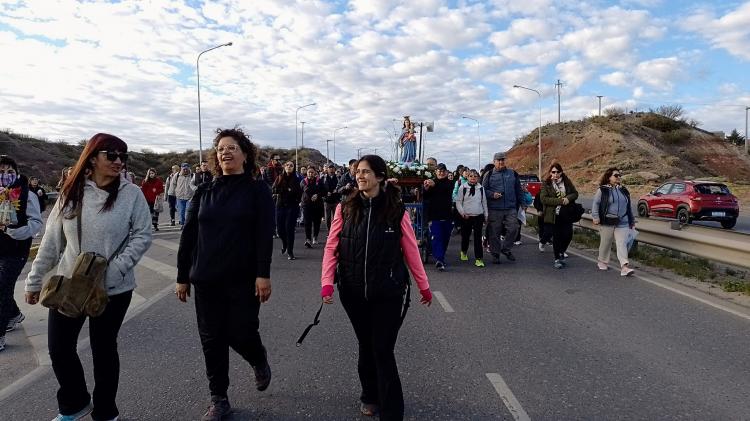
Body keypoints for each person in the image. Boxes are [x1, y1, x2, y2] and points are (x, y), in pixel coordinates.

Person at [24, 133, 152, 421]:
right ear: (93, 157)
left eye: (123, 156)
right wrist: (34, 281)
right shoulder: (72, 192)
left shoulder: (131, 194)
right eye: (112, 155)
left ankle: (106, 412)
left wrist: (117, 269)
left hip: (113, 289)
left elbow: (142, 235)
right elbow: (51, 242)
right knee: (59, 348)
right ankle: (74, 403)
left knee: (104, 350)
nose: (119, 161)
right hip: (70, 285)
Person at [320, 154, 432, 420]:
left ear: (380, 176)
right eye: (358, 171)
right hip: (353, 290)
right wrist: (327, 282)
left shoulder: (396, 209)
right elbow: (332, 246)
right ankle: (369, 394)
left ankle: (392, 411)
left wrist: (423, 286)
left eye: (366, 172)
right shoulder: (345, 208)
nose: (360, 176)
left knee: (382, 348)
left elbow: (411, 250)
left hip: (388, 291)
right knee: (365, 345)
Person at [176, 128, 273, 421]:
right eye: (220, 149)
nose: (225, 152)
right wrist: (182, 276)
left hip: (243, 279)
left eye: (232, 147)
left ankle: (257, 357)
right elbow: (188, 236)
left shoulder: (257, 190)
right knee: (211, 339)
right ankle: (219, 398)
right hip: (206, 278)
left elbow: (264, 235)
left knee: (241, 331)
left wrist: (263, 274)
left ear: (245, 153)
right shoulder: (204, 191)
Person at [0, 156, 43, 352]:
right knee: (4, 288)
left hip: (16, 250)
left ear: (16, 173)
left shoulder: (27, 194)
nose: (6, 176)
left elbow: (36, 224)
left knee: (1, 289)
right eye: (1, 172)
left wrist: (16, 231)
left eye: (10, 172)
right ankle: (13, 314)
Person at [592, 168, 636, 276]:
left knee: (622, 243)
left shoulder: (624, 190)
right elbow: (596, 203)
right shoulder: (603, 190)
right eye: (616, 175)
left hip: (623, 221)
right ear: (609, 177)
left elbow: (628, 206)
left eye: (620, 175)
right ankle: (602, 261)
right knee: (606, 242)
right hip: (608, 220)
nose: (619, 177)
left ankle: (624, 267)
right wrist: (595, 217)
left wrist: (632, 221)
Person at [482, 152, 523, 263]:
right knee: (494, 232)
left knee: (514, 228)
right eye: (498, 160)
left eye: (502, 160)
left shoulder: (512, 173)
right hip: (494, 208)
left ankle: (506, 249)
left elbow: (518, 189)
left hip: (510, 207)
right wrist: (492, 194)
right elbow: (483, 190)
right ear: (494, 161)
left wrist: (523, 203)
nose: (501, 162)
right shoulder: (489, 174)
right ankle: (495, 254)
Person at [539, 163, 579, 269]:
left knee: (568, 235)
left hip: (566, 214)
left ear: (561, 172)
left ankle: (561, 251)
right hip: (554, 214)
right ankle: (557, 259)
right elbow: (544, 199)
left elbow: (575, 193)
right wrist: (560, 201)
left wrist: (568, 198)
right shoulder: (546, 183)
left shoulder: (566, 181)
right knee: (557, 237)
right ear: (550, 173)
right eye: (553, 172)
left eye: (557, 172)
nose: (555, 174)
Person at [423, 163, 454, 271]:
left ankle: (441, 256)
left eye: (443, 171)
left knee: (445, 238)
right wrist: (425, 189)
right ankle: (439, 260)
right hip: (434, 216)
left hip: (447, 215)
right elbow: (425, 197)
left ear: (446, 172)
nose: (441, 172)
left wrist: (433, 185)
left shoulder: (450, 183)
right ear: (435, 172)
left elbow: (446, 190)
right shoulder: (431, 182)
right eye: (439, 171)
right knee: (437, 237)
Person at [455, 169, 488, 267]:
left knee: (478, 238)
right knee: (466, 236)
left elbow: (484, 202)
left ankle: (479, 259)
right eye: (470, 176)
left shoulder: (481, 188)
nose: (473, 178)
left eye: (475, 176)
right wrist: (462, 213)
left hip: (478, 215)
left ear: (478, 178)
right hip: (466, 216)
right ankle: (464, 251)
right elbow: (458, 201)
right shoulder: (463, 187)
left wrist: (486, 215)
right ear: (467, 177)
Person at [272, 161, 302, 260]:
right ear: (284, 167)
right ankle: (285, 243)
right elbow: (274, 189)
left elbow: (298, 193)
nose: (289, 167)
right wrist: (287, 190)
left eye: (291, 165)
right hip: (280, 206)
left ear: (293, 168)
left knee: (289, 229)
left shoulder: (296, 179)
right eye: (287, 165)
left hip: (292, 206)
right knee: (280, 230)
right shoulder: (280, 177)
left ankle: (290, 251)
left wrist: (288, 191)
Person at [301, 167, 326, 247]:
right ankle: (308, 239)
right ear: (307, 173)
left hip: (317, 205)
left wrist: (318, 195)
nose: (310, 174)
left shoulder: (319, 181)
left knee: (317, 222)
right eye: (309, 172)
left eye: (312, 172)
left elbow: (325, 191)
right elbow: (305, 189)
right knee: (307, 222)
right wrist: (313, 195)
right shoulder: (303, 181)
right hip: (307, 205)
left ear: (315, 173)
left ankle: (315, 237)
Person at [321, 164, 340, 231]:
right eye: (330, 168)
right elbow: (321, 188)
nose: (331, 170)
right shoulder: (323, 178)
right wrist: (326, 193)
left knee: (336, 218)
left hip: (336, 200)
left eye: (332, 168)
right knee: (328, 218)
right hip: (327, 201)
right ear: (327, 169)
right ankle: (329, 231)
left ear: (334, 170)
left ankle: (335, 231)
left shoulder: (338, 178)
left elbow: (340, 187)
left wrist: (337, 190)